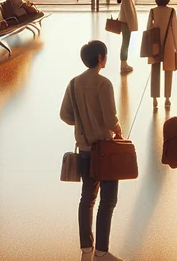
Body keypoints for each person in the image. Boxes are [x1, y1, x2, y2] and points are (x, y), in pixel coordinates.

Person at [59, 40, 125, 261]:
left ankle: (86, 249)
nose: (106, 58)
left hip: (85, 150)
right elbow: (110, 118)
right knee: (108, 200)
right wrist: (117, 129)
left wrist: (82, 123)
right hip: (104, 151)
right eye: (105, 55)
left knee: (87, 198)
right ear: (100, 58)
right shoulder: (103, 84)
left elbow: (65, 115)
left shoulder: (73, 83)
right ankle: (102, 252)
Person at [146, 0, 177, 109]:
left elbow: (149, 28)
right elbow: (175, 29)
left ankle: (154, 100)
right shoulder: (171, 11)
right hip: (169, 42)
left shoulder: (152, 11)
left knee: (155, 71)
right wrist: (176, 45)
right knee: (168, 71)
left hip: (155, 42)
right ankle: (167, 99)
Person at [115, 0, 138, 74]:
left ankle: (124, 63)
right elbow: (128, 12)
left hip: (125, 22)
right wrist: (131, 24)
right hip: (126, 23)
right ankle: (123, 64)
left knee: (125, 43)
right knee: (125, 44)